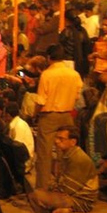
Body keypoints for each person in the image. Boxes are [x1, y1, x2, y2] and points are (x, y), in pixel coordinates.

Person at [28, 125, 98, 213]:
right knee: (42, 194)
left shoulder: (78, 159)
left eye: (61, 139)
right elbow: (58, 181)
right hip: (70, 194)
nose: (56, 141)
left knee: (37, 196)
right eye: (56, 138)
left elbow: (67, 188)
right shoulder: (68, 155)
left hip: (81, 200)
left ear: (73, 142)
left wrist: (51, 193)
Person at [34, 44, 83, 189]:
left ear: (49, 58)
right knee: (66, 154)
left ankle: (42, 189)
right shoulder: (74, 74)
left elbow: (41, 100)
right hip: (67, 115)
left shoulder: (47, 74)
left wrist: (34, 114)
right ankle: (64, 186)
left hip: (49, 116)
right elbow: (77, 96)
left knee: (44, 155)